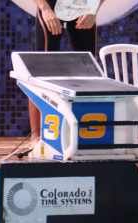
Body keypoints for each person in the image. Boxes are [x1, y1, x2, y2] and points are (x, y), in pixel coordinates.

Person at [28, 0, 104, 144]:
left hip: (83, 6)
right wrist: (45, 8)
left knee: (88, 71)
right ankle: (36, 136)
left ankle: (87, 132)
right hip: (51, 5)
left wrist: (93, 9)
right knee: (42, 70)